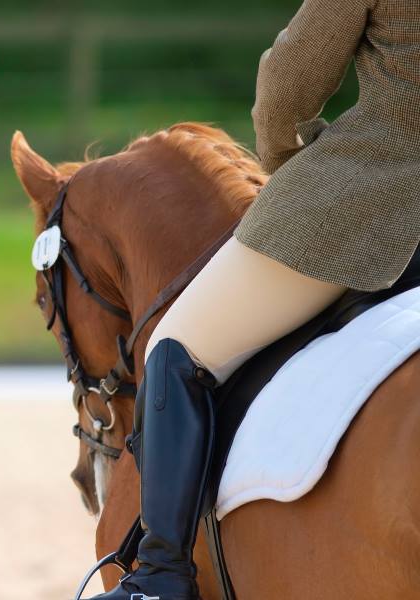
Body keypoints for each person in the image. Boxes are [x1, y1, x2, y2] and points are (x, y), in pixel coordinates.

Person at [87, 0, 420, 598]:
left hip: (383, 189)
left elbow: (288, 85)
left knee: (177, 348)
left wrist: (297, 167)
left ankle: (160, 575)